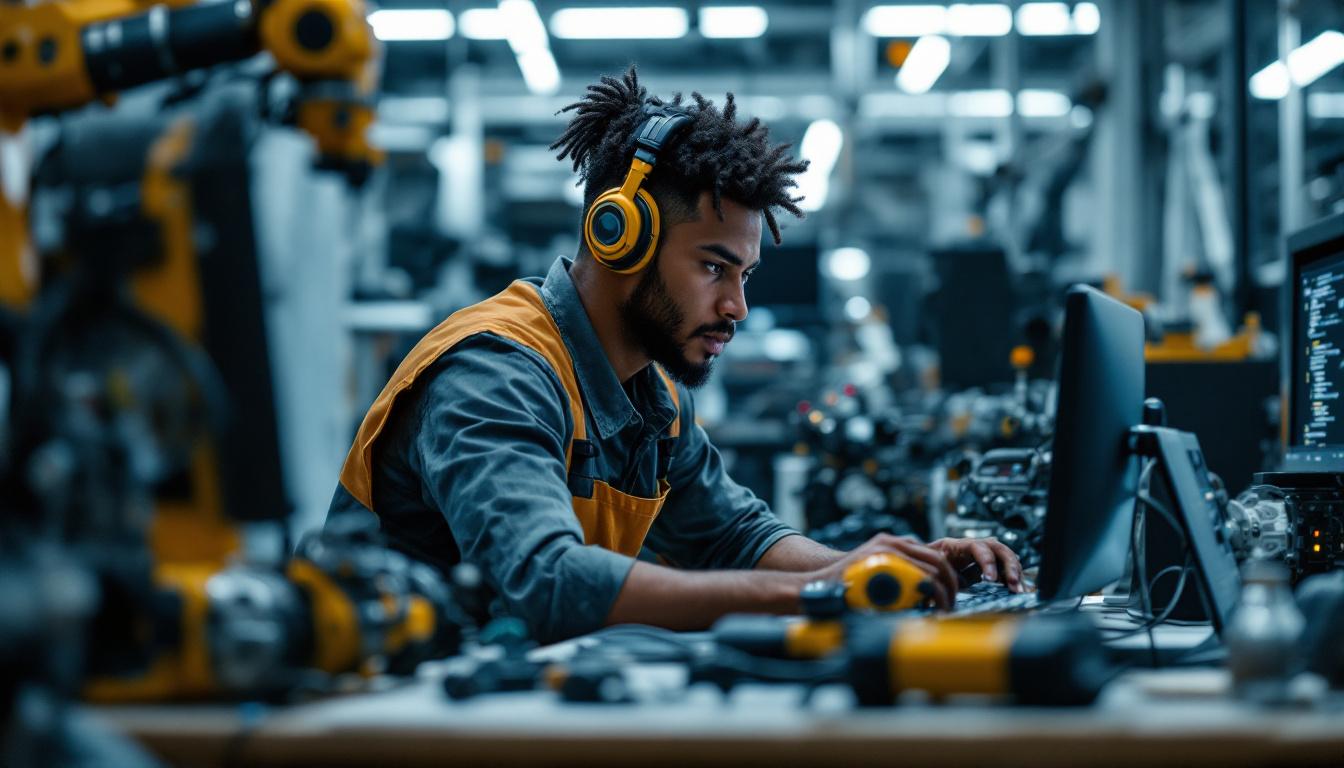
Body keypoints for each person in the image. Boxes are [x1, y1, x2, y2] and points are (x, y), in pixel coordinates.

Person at [328, 67, 1022, 643]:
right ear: (618, 237)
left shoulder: (651, 396)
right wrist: (820, 591)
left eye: (743, 276)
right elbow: (549, 582)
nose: (737, 308)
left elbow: (731, 535)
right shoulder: (496, 373)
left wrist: (885, 567)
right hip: (377, 713)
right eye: (714, 268)